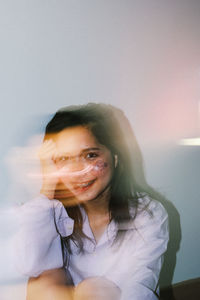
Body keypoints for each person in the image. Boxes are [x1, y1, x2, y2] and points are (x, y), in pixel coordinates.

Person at [13, 103, 169, 300]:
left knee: (93, 289)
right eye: (64, 159)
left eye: (90, 155)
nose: (79, 170)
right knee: (42, 280)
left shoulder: (147, 215)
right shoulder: (54, 211)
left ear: (115, 157)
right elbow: (28, 264)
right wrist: (47, 186)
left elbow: (140, 286)